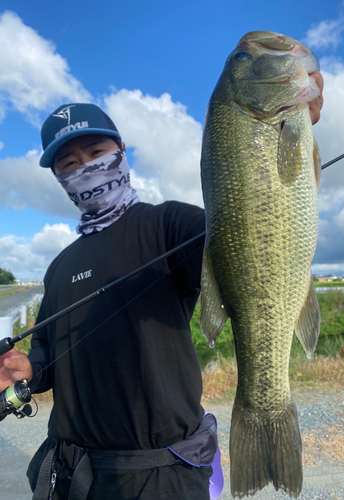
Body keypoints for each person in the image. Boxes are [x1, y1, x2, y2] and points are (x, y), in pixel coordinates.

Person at [0, 71, 323, 500]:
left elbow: (258, 239)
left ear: (121, 151)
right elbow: (48, 350)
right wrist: (29, 370)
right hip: (71, 474)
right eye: (68, 163)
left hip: (162, 476)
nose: (85, 167)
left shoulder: (171, 225)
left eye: (95, 151)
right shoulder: (60, 265)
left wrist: (284, 150)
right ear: (58, 175)